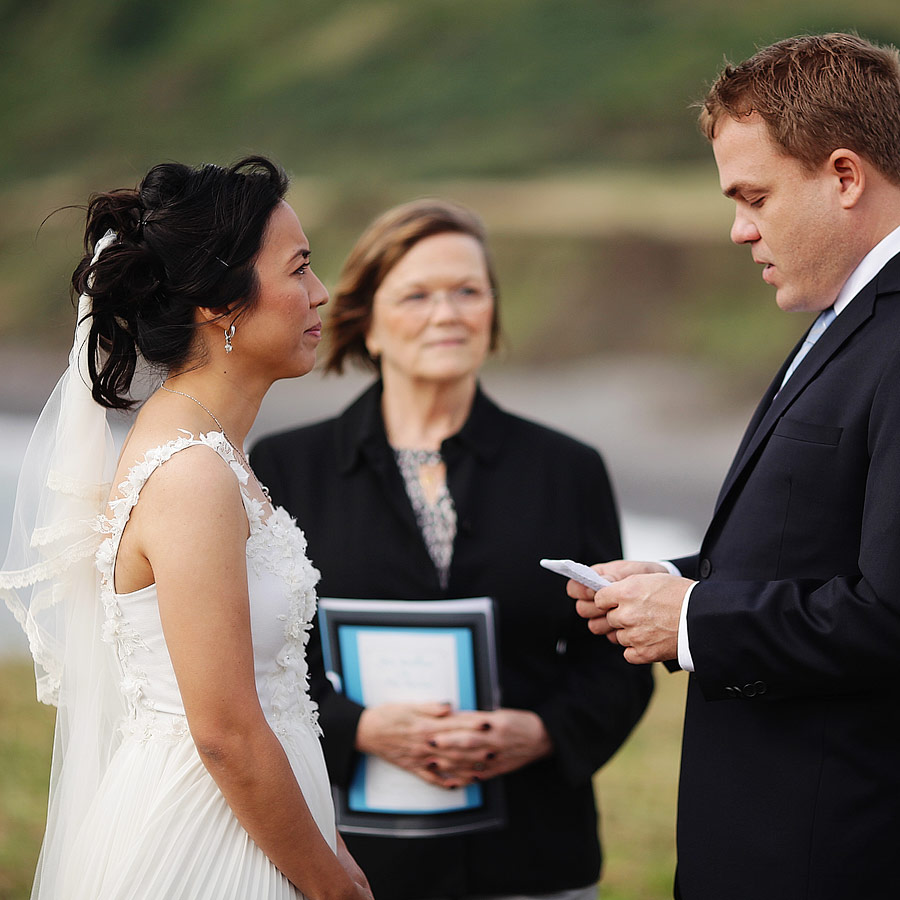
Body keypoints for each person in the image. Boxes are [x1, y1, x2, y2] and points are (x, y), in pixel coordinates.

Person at [569, 33, 900, 900]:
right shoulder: (845, 315)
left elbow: (891, 615)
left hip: (836, 859)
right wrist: (675, 581)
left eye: (755, 195)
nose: (737, 227)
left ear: (844, 176)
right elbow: (819, 548)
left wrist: (693, 621)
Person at [251, 198, 653, 900]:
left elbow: (617, 659)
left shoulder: (567, 468)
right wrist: (362, 728)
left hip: (532, 855)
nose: (449, 313)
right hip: (356, 860)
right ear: (367, 321)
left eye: (469, 290)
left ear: (492, 310)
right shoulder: (287, 467)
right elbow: (267, 660)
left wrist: (545, 730)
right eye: (417, 295)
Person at [0, 156, 372, 900]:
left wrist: (327, 840)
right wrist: (333, 885)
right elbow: (226, 733)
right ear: (215, 301)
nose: (321, 293)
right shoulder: (192, 475)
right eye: (299, 268)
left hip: (265, 821)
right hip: (207, 837)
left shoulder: (211, 454)